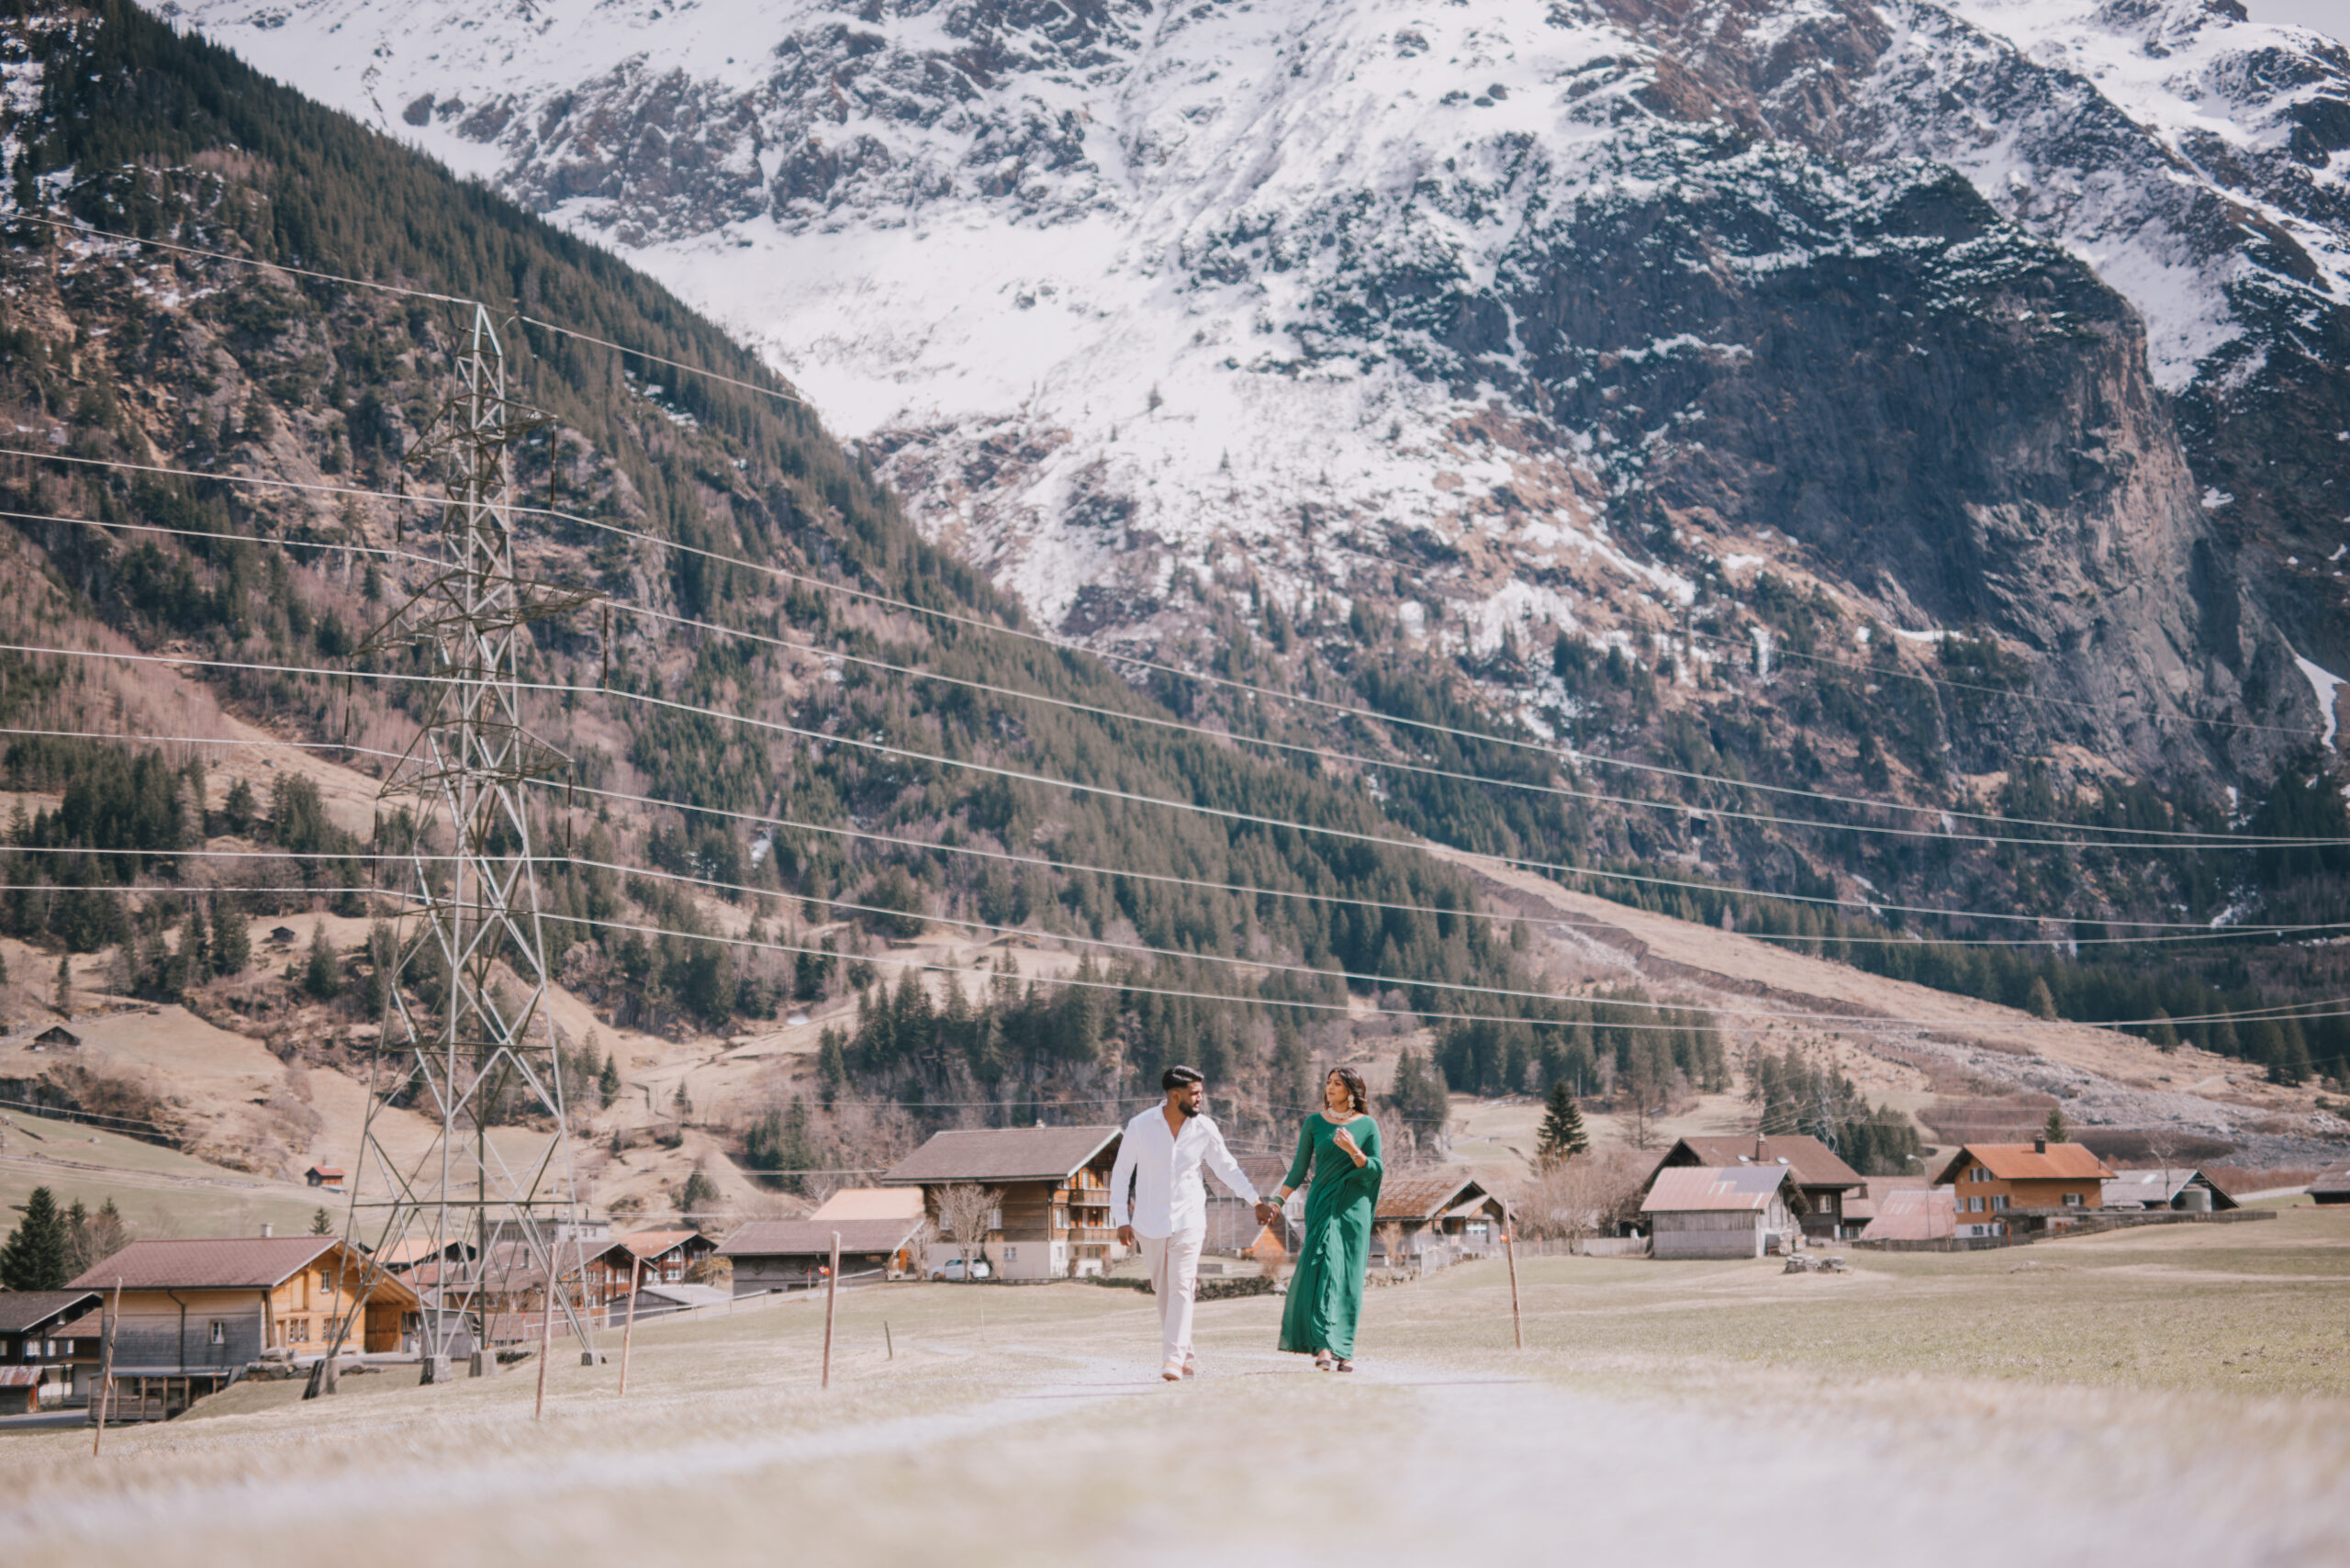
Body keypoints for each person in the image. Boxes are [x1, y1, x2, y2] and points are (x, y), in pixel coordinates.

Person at [1111, 1065, 1265, 1382]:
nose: (1200, 1099)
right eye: (1194, 1094)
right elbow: (1121, 1174)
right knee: (1164, 1291)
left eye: (1200, 1093)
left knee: (1182, 1286)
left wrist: (1255, 1200)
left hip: (1189, 1219)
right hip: (1149, 1223)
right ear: (1175, 1095)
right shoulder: (1140, 1126)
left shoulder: (1204, 1128)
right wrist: (1121, 1219)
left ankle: (1172, 1359)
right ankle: (1185, 1354)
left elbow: (1227, 1167)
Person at [1267, 1067, 1383, 1372]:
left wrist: (1353, 1150)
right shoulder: (1314, 1123)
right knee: (1325, 1269)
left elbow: (1376, 1169)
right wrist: (1278, 1200)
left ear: (1351, 1091)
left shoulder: (1368, 1125)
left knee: (1349, 1276)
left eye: (1338, 1084)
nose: (1330, 1088)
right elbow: (1298, 1169)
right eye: (1328, 1083)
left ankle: (1344, 1348)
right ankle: (1324, 1346)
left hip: (1354, 1208)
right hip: (1322, 1205)